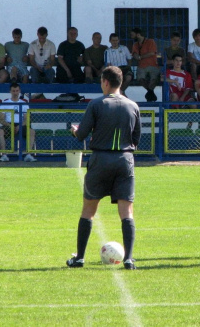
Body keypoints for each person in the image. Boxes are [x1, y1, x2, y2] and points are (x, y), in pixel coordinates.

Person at [66, 66, 141, 270]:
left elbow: (81, 135)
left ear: (106, 82)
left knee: (89, 210)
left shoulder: (96, 104)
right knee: (127, 212)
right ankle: (129, 259)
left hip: (100, 159)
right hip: (124, 160)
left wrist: (75, 131)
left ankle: (79, 258)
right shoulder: (133, 106)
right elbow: (136, 139)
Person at [0, 83, 36, 162]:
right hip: (8, 124)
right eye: (13, 91)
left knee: (32, 132)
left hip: (21, 124)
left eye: (17, 91)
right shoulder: (5, 103)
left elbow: (27, 119)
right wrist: (10, 126)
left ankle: (28, 154)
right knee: (0, 132)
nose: (15, 93)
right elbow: (1, 119)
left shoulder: (24, 104)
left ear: (19, 91)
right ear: (10, 91)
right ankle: (4, 155)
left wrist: (20, 126)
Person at [131, 28, 160, 102]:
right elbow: (135, 54)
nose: (131, 36)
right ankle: (150, 92)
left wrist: (140, 57)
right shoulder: (135, 44)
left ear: (138, 34)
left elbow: (152, 53)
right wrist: (137, 56)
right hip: (141, 66)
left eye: (132, 34)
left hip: (153, 65)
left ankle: (149, 93)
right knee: (140, 79)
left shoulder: (150, 41)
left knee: (155, 78)